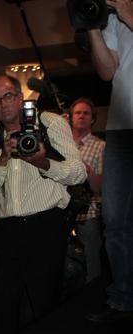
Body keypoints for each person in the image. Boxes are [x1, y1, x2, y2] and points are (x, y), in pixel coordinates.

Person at [0, 75, 86, 333]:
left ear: (19, 97)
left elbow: (78, 172)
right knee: (5, 305)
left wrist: (43, 162)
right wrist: (3, 158)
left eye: (7, 96)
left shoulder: (48, 123)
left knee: (44, 304)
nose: (3, 104)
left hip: (46, 225)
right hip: (7, 230)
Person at [85, 0, 133, 323]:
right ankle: (122, 298)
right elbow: (106, 71)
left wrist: (130, 16)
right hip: (121, 128)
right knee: (114, 220)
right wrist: (91, 25)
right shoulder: (115, 15)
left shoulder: (126, 12)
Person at [69, 97, 105, 283]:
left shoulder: (100, 146)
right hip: (62, 212)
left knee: (91, 264)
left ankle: (92, 300)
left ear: (92, 119)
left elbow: (100, 188)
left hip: (88, 214)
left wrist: (87, 171)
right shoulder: (63, 145)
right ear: (71, 117)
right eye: (77, 113)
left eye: (86, 113)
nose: (81, 116)